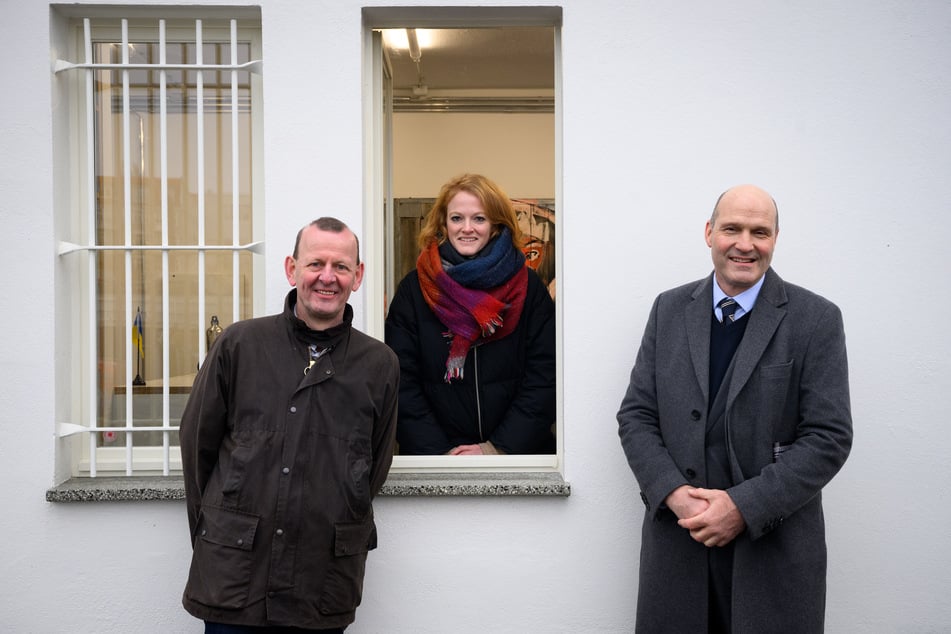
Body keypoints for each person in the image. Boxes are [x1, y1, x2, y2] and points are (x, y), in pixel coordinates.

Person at [616, 185, 853, 633]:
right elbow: (636, 416)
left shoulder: (816, 319)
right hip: (679, 548)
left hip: (772, 553)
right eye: (732, 229)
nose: (745, 244)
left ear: (775, 239)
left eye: (759, 232)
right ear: (709, 233)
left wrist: (742, 508)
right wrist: (673, 493)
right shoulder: (668, 310)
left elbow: (829, 437)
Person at [180, 217, 399, 633]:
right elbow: (197, 448)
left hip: (321, 583)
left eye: (341, 267)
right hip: (235, 578)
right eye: (316, 263)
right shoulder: (239, 345)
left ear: (359, 276)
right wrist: (217, 529)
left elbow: (373, 466)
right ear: (291, 268)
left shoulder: (380, 365)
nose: (327, 277)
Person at [385, 173, 556, 455]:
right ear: (443, 223)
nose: (467, 228)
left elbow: (545, 377)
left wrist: (495, 449)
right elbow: (400, 381)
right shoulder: (414, 290)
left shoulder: (527, 286)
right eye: (456, 218)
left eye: (479, 218)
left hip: (517, 458)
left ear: (496, 224)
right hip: (436, 461)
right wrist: (440, 454)